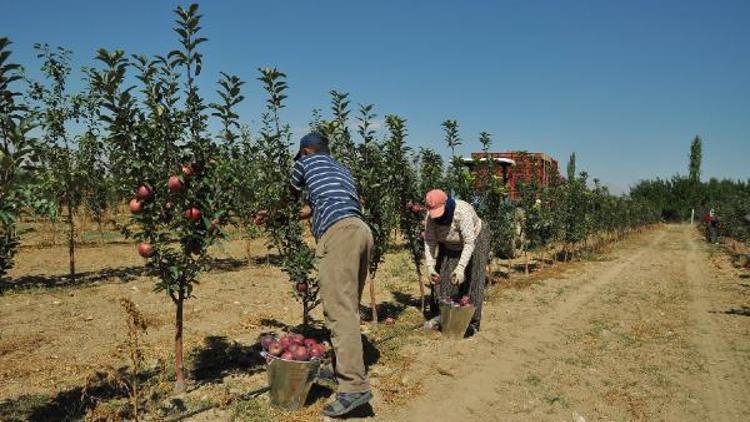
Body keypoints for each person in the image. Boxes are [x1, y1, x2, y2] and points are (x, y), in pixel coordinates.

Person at [289, 132, 373, 417]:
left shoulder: (306, 162)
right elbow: (322, 202)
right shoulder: (341, 169)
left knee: (340, 312)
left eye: (301, 155)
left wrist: (275, 212)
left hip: (339, 236)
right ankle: (340, 369)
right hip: (361, 231)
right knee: (348, 307)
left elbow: (289, 193)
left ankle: (354, 388)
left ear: (307, 151)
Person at [423, 189, 491, 336]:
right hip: (449, 244)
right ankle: (442, 316)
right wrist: (430, 266)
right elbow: (429, 240)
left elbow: (469, 242)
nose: (438, 216)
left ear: (446, 204)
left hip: (475, 239)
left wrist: (460, 268)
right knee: (444, 279)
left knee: (474, 279)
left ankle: (472, 323)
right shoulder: (430, 217)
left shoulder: (462, 212)